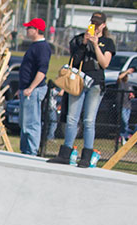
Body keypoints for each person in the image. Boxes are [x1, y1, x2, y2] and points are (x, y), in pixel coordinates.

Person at [48, 11, 115, 168]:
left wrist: (96, 44)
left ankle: (86, 155)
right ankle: (66, 152)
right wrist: (84, 43)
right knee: (72, 118)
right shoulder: (79, 39)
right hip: (78, 81)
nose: (95, 27)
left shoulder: (108, 42)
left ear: (103, 25)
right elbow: (74, 61)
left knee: (89, 120)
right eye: (93, 23)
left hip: (96, 83)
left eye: (98, 24)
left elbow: (105, 63)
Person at [17, 18, 51, 156]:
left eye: (29, 28)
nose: (27, 30)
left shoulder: (42, 47)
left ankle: (31, 151)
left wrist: (31, 88)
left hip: (33, 90)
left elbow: (42, 71)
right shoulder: (34, 46)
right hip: (26, 89)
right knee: (24, 122)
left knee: (31, 123)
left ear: (37, 30)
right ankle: (25, 150)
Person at [116, 69, 133, 144]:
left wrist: (132, 95)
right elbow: (119, 78)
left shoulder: (129, 85)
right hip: (121, 105)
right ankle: (127, 135)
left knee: (125, 122)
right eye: (125, 75)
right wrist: (126, 71)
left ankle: (122, 136)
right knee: (124, 122)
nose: (126, 77)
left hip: (128, 106)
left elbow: (132, 93)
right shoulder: (120, 83)